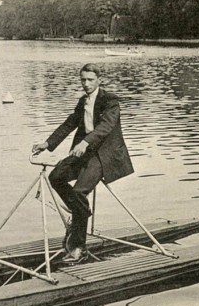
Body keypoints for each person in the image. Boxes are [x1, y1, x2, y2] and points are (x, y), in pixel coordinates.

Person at [32, 63, 134, 263]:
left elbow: (105, 127)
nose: (86, 84)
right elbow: (70, 123)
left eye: (90, 80)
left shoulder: (110, 100)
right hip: (84, 151)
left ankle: (79, 248)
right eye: (83, 80)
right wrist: (47, 143)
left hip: (103, 154)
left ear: (99, 80)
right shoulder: (83, 101)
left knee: (79, 192)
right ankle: (81, 212)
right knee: (56, 177)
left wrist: (85, 142)